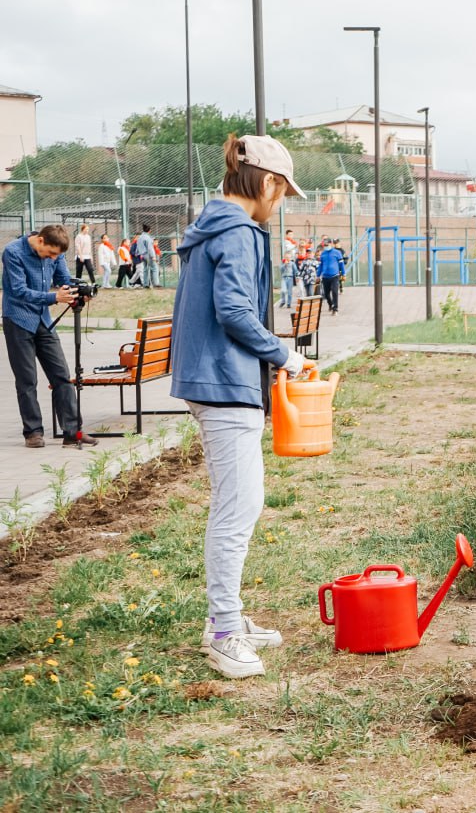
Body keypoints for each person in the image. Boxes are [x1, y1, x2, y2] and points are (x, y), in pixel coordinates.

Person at [170, 133, 308, 680]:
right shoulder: (243, 233)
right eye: (282, 193)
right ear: (268, 182)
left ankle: (227, 621)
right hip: (225, 384)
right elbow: (232, 309)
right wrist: (283, 355)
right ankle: (223, 631)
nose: (280, 206)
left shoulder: (211, 227)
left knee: (239, 503)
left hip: (212, 380)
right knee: (239, 508)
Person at [2, 225, 100, 449]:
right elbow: (18, 290)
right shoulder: (13, 252)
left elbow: (64, 278)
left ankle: (72, 432)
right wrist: (54, 297)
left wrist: (79, 291)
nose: (53, 258)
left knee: (62, 376)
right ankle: (33, 432)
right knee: (27, 380)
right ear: (40, 240)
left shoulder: (56, 252)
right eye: (51, 253)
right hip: (18, 319)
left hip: (43, 321)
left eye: (57, 255)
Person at [316, 238, 345, 314]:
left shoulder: (337, 252)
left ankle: (335, 309)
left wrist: (343, 274)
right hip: (325, 277)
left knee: (335, 292)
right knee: (326, 294)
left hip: (335, 276)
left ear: (331, 244)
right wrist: (318, 275)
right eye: (324, 245)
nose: (326, 246)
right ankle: (330, 304)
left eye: (327, 245)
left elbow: (341, 264)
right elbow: (321, 265)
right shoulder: (323, 254)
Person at [133, 224, 155, 288]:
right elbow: (150, 248)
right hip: (148, 254)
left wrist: (137, 253)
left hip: (142, 255)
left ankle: (146, 284)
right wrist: (153, 256)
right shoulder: (147, 237)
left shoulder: (140, 237)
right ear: (149, 230)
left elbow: (138, 246)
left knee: (145, 269)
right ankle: (153, 283)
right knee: (153, 268)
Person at [279, 234, 297, 309]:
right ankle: (283, 301)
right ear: (285, 257)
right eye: (286, 257)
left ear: (290, 257)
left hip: (290, 278)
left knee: (289, 292)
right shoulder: (283, 263)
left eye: (289, 257)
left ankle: (289, 303)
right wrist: (285, 265)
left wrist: (297, 276)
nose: (287, 258)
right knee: (283, 291)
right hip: (284, 278)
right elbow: (281, 270)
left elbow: (295, 270)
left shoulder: (292, 263)